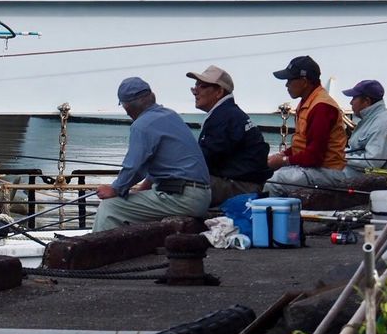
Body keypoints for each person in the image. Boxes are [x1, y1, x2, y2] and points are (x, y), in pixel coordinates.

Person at [92, 77, 212, 232]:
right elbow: (163, 164)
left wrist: (115, 189)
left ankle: (96, 251)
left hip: (182, 197)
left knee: (110, 207)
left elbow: (134, 166)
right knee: (128, 203)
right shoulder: (170, 115)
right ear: (152, 96)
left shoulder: (142, 125)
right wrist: (143, 189)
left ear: (127, 106)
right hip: (200, 195)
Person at [262, 55, 348, 198]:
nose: (286, 85)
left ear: (304, 81)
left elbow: (315, 156)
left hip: (328, 172)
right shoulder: (309, 101)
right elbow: (302, 146)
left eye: (290, 80)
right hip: (315, 168)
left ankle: (272, 219)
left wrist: (283, 161)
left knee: (275, 182)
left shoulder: (322, 107)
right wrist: (283, 155)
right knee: (265, 171)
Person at [186, 64, 269, 206]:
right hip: (249, 184)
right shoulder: (230, 114)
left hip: (241, 188)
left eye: (202, 86)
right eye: (195, 86)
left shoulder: (222, 118)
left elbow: (203, 162)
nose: (195, 91)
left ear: (219, 92)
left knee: (178, 185)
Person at [341, 79, 387, 174]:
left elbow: (371, 162)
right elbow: (354, 152)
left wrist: (338, 156)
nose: (351, 102)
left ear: (366, 101)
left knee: (313, 175)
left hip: (372, 179)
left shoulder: (384, 123)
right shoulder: (370, 120)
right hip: (357, 172)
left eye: (354, 98)